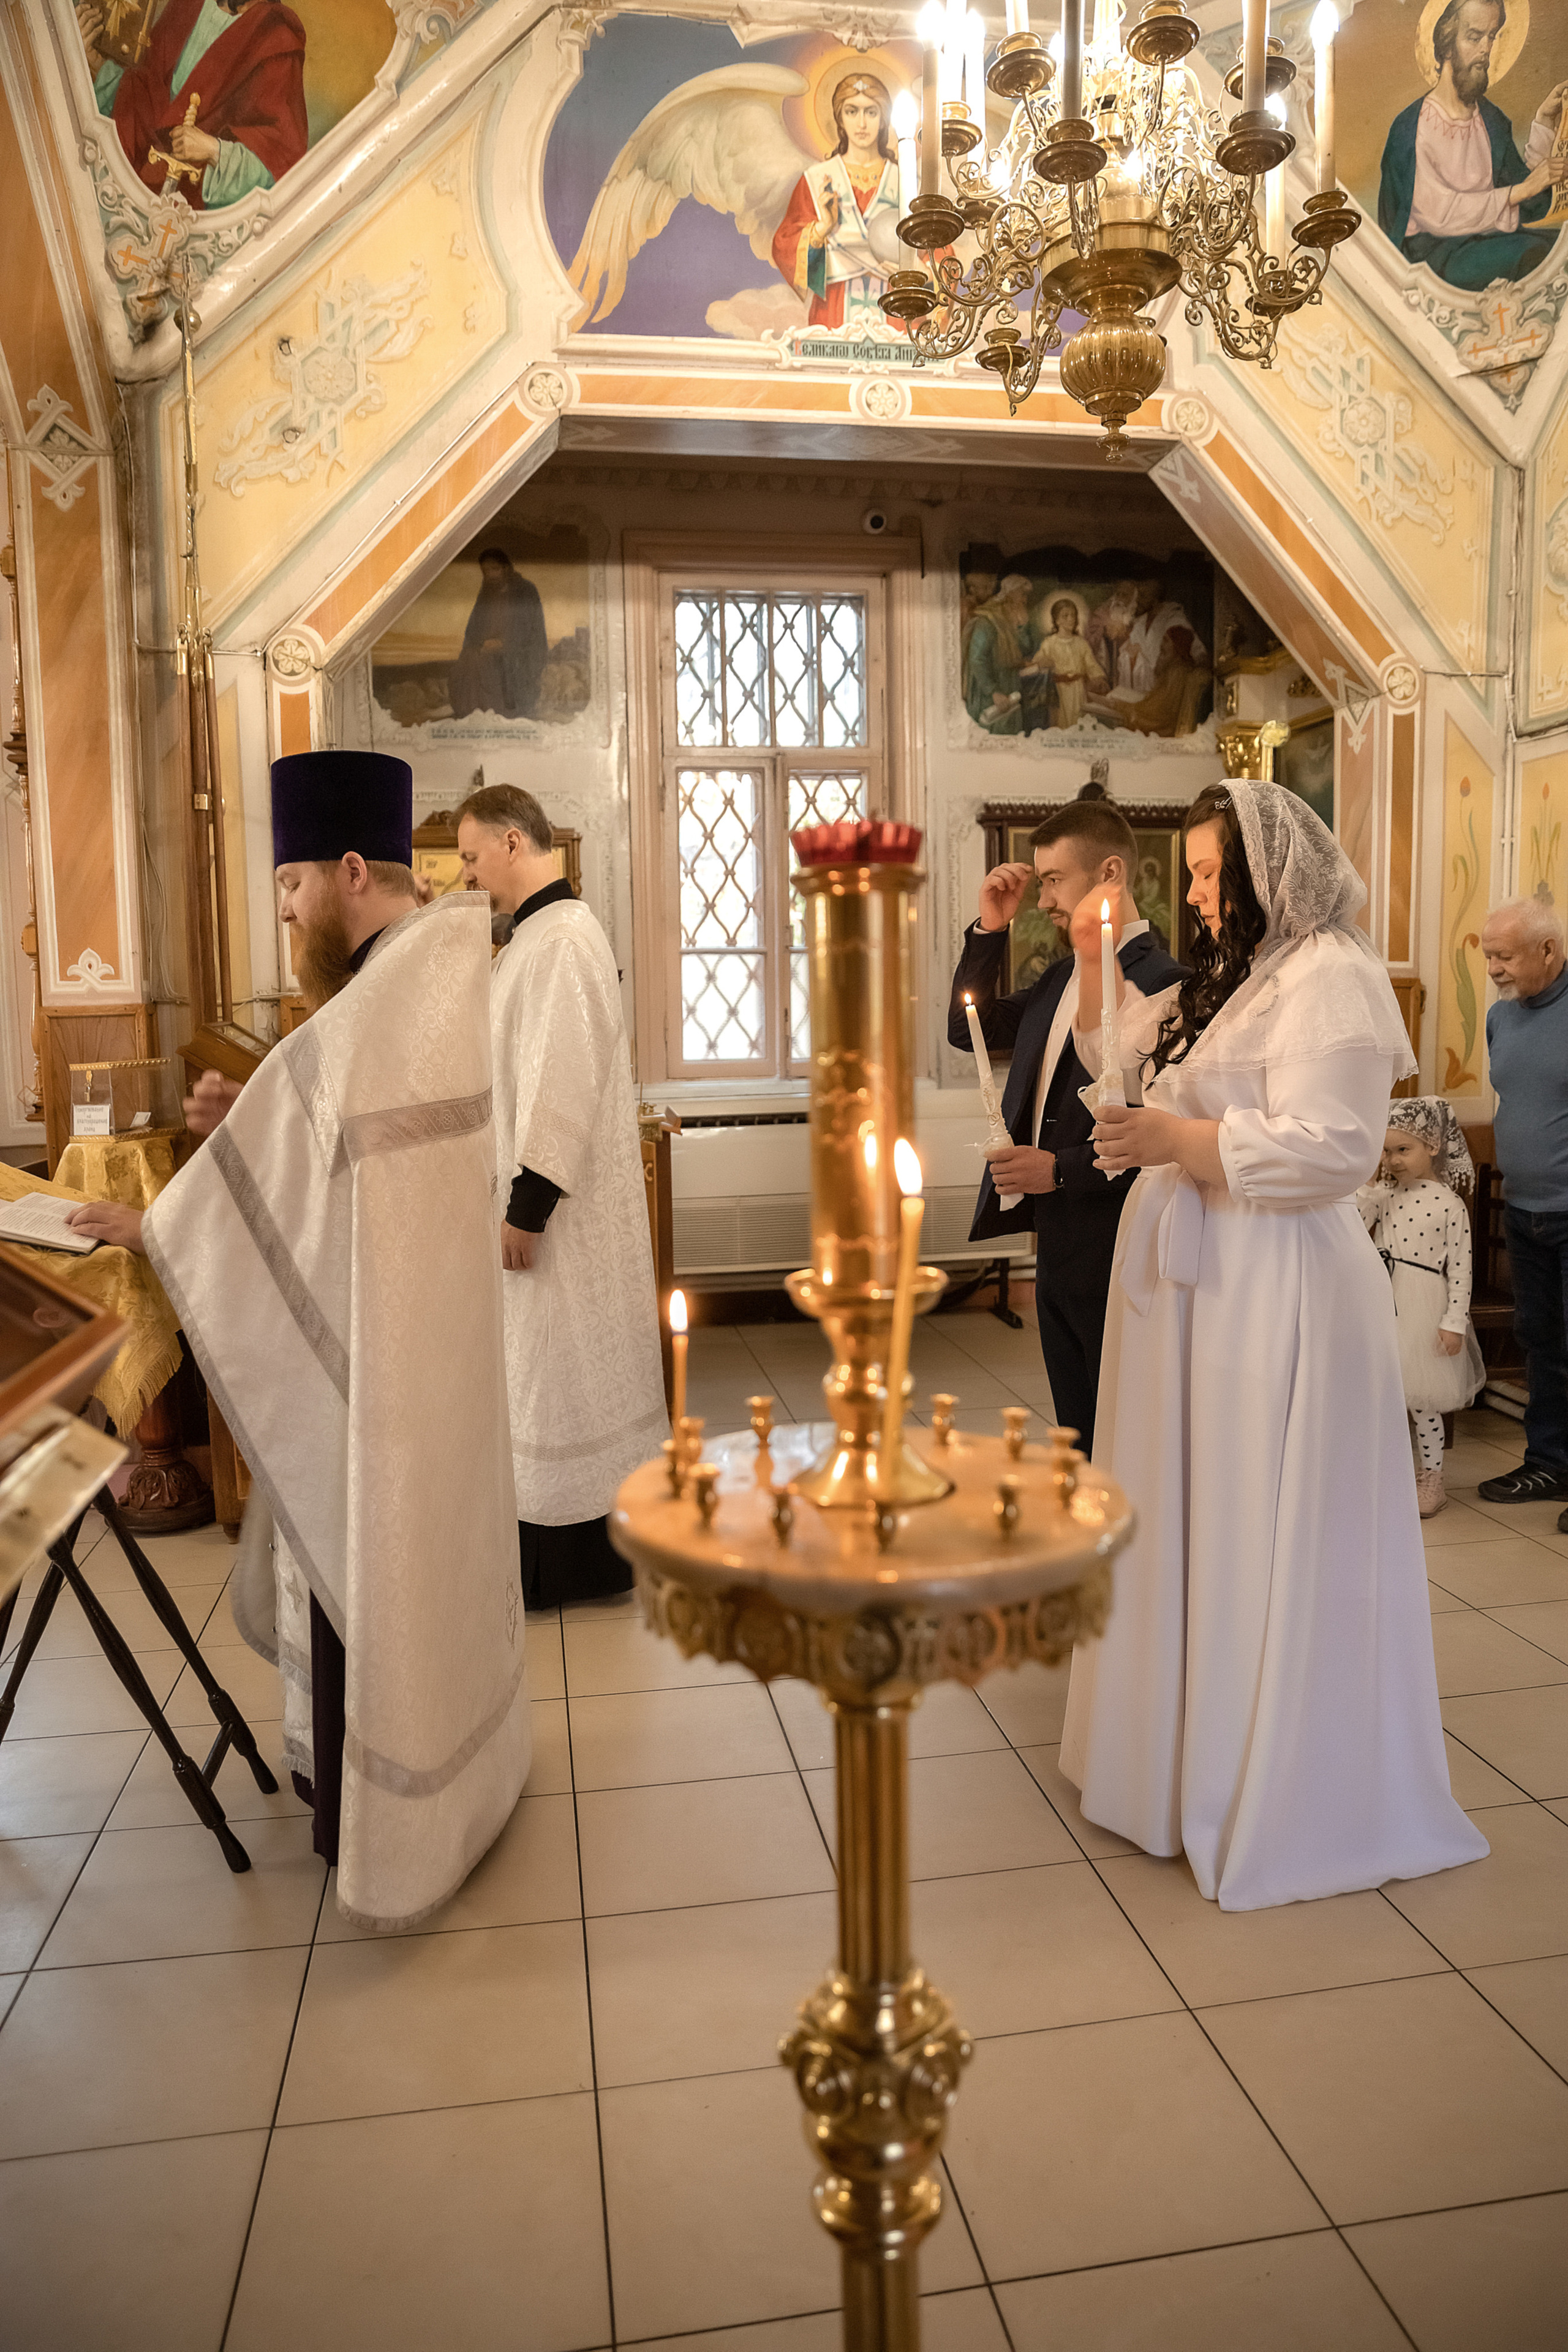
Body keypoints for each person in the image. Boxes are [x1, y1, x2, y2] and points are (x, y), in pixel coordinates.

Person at [69, 750, 530, 1932]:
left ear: (352, 870)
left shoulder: (383, 994)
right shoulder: (431, 970)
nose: (282, 915)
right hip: (433, 1354)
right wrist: (253, 1118)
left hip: (392, 1369)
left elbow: (328, 1152)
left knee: (372, 1554)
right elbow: (345, 1165)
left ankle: (375, 1813)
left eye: (288, 888)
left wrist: (155, 1224)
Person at [1058, 780, 1487, 1910]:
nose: (1198, 895)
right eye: (1193, 874)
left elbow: (1337, 1150)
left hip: (1278, 1282)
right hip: (1201, 1280)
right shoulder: (1235, 977)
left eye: (1211, 873)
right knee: (1193, 1511)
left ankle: (1271, 1771)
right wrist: (1136, 1111)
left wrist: (1179, 1139)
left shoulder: (1333, 975)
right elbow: (1127, 1071)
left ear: (1267, 872)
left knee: (1258, 1511)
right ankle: (1174, 1756)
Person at [456, 782, 668, 1609]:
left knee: (557, 1374)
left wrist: (528, 1204)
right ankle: (540, 1553)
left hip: (558, 1218)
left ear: (514, 842)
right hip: (539, 1205)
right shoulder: (535, 936)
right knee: (541, 1377)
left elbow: (564, 1079)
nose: (470, 876)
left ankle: (567, 1566)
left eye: (473, 857)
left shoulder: (565, 938)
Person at [948, 787, 1186, 1452]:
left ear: (1108, 875)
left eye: (1054, 880)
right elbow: (968, 1032)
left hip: (1116, 1230)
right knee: (1076, 1424)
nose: (1045, 899)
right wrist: (990, 931)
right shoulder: (1058, 979)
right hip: (1055, 1238)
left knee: (1123, 1421)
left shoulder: (1166, 983)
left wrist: (1059, 1170)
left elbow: (1161, 1124)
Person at [1474, 894, 1568, 1510]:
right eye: (1487, 958)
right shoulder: (1501, 1019)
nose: (1493, 971)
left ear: (1548, 950)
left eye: (1504, 957)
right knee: (1539, 1342)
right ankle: (1547, 1465)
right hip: (1523, 1209)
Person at [1378, 0, 1567, 292]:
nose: (1486, 50)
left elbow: (1520, 194)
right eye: (1474, 37)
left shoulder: (1490, 120)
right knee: (1536, 255)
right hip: (1439, 256)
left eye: (1492, 36)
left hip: (1486, 241)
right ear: (1448, 45)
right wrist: (1524, 190)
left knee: (1561, 245)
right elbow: (1439, 214)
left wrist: (1543, 123)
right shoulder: (1412, 128)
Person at [1358, 1100, 1485, 1519]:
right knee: (1380, 1397)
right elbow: (1357, 1225)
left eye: (1402, 1150)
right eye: (1386, 1150)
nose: (1392, 1160)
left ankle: (1432, 1477)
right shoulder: (1385, 1195)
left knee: (1422, 1401)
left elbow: (1462, 1270)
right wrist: (1367, 1191)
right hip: (1383, 1301)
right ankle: (1384, 1474)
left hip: (1423, 1308)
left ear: (1432, 1147)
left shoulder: (1450, 1204)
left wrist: (1453, 1323)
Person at [78, 0, 308, 213]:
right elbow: (147, 97)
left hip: (191, 207)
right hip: (127, 171)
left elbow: (281, 160)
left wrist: (213, 150)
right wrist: (98, 67)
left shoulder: (277, 37)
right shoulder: (189, 4)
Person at [771, 74, 903, 334]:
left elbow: (939, 253)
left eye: (872, 112)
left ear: (884, 118)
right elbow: (784, 246)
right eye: (852, 112)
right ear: (840, 118)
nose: (862, 123)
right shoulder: (818, 180)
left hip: (898, 310)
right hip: (833, 310)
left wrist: (920, 269)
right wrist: (822, 228)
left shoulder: (907, 182)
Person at [448, 549, 549, 721]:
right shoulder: (487, 593)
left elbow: (530, 629)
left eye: (494, 569)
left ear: (505, 568)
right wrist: (480, 644)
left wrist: (504, 643)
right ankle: (472, 715)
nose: (490, 575)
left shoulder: (525, 590)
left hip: (519, 650)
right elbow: (475, 627)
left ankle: (500, 711)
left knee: (486, 662)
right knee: (468, 659)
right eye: (486, 571)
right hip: (489, 648)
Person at [1019, 597, 1108, 732]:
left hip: (1078, 691)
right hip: (1057, 691)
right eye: (1065, 616)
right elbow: (1037, 664)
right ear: (1057, 620)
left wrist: (1098, 678)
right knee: (1060, 725)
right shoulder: (1049, 643)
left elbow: (1092, 665)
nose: (1070, 619)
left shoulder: (1081, 643)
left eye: (1073, 615)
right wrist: (1043, 663)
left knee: (1078, 725)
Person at [963, 575, 1038, 734]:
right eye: (1022, 595)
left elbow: (1025, 650)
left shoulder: (1014, 619)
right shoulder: (989, 621)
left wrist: (1022, 628)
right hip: (990, 690)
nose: (1025, 601)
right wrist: (994, 691)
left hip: (1011, 685)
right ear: (1010, 596)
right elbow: (977, 659)